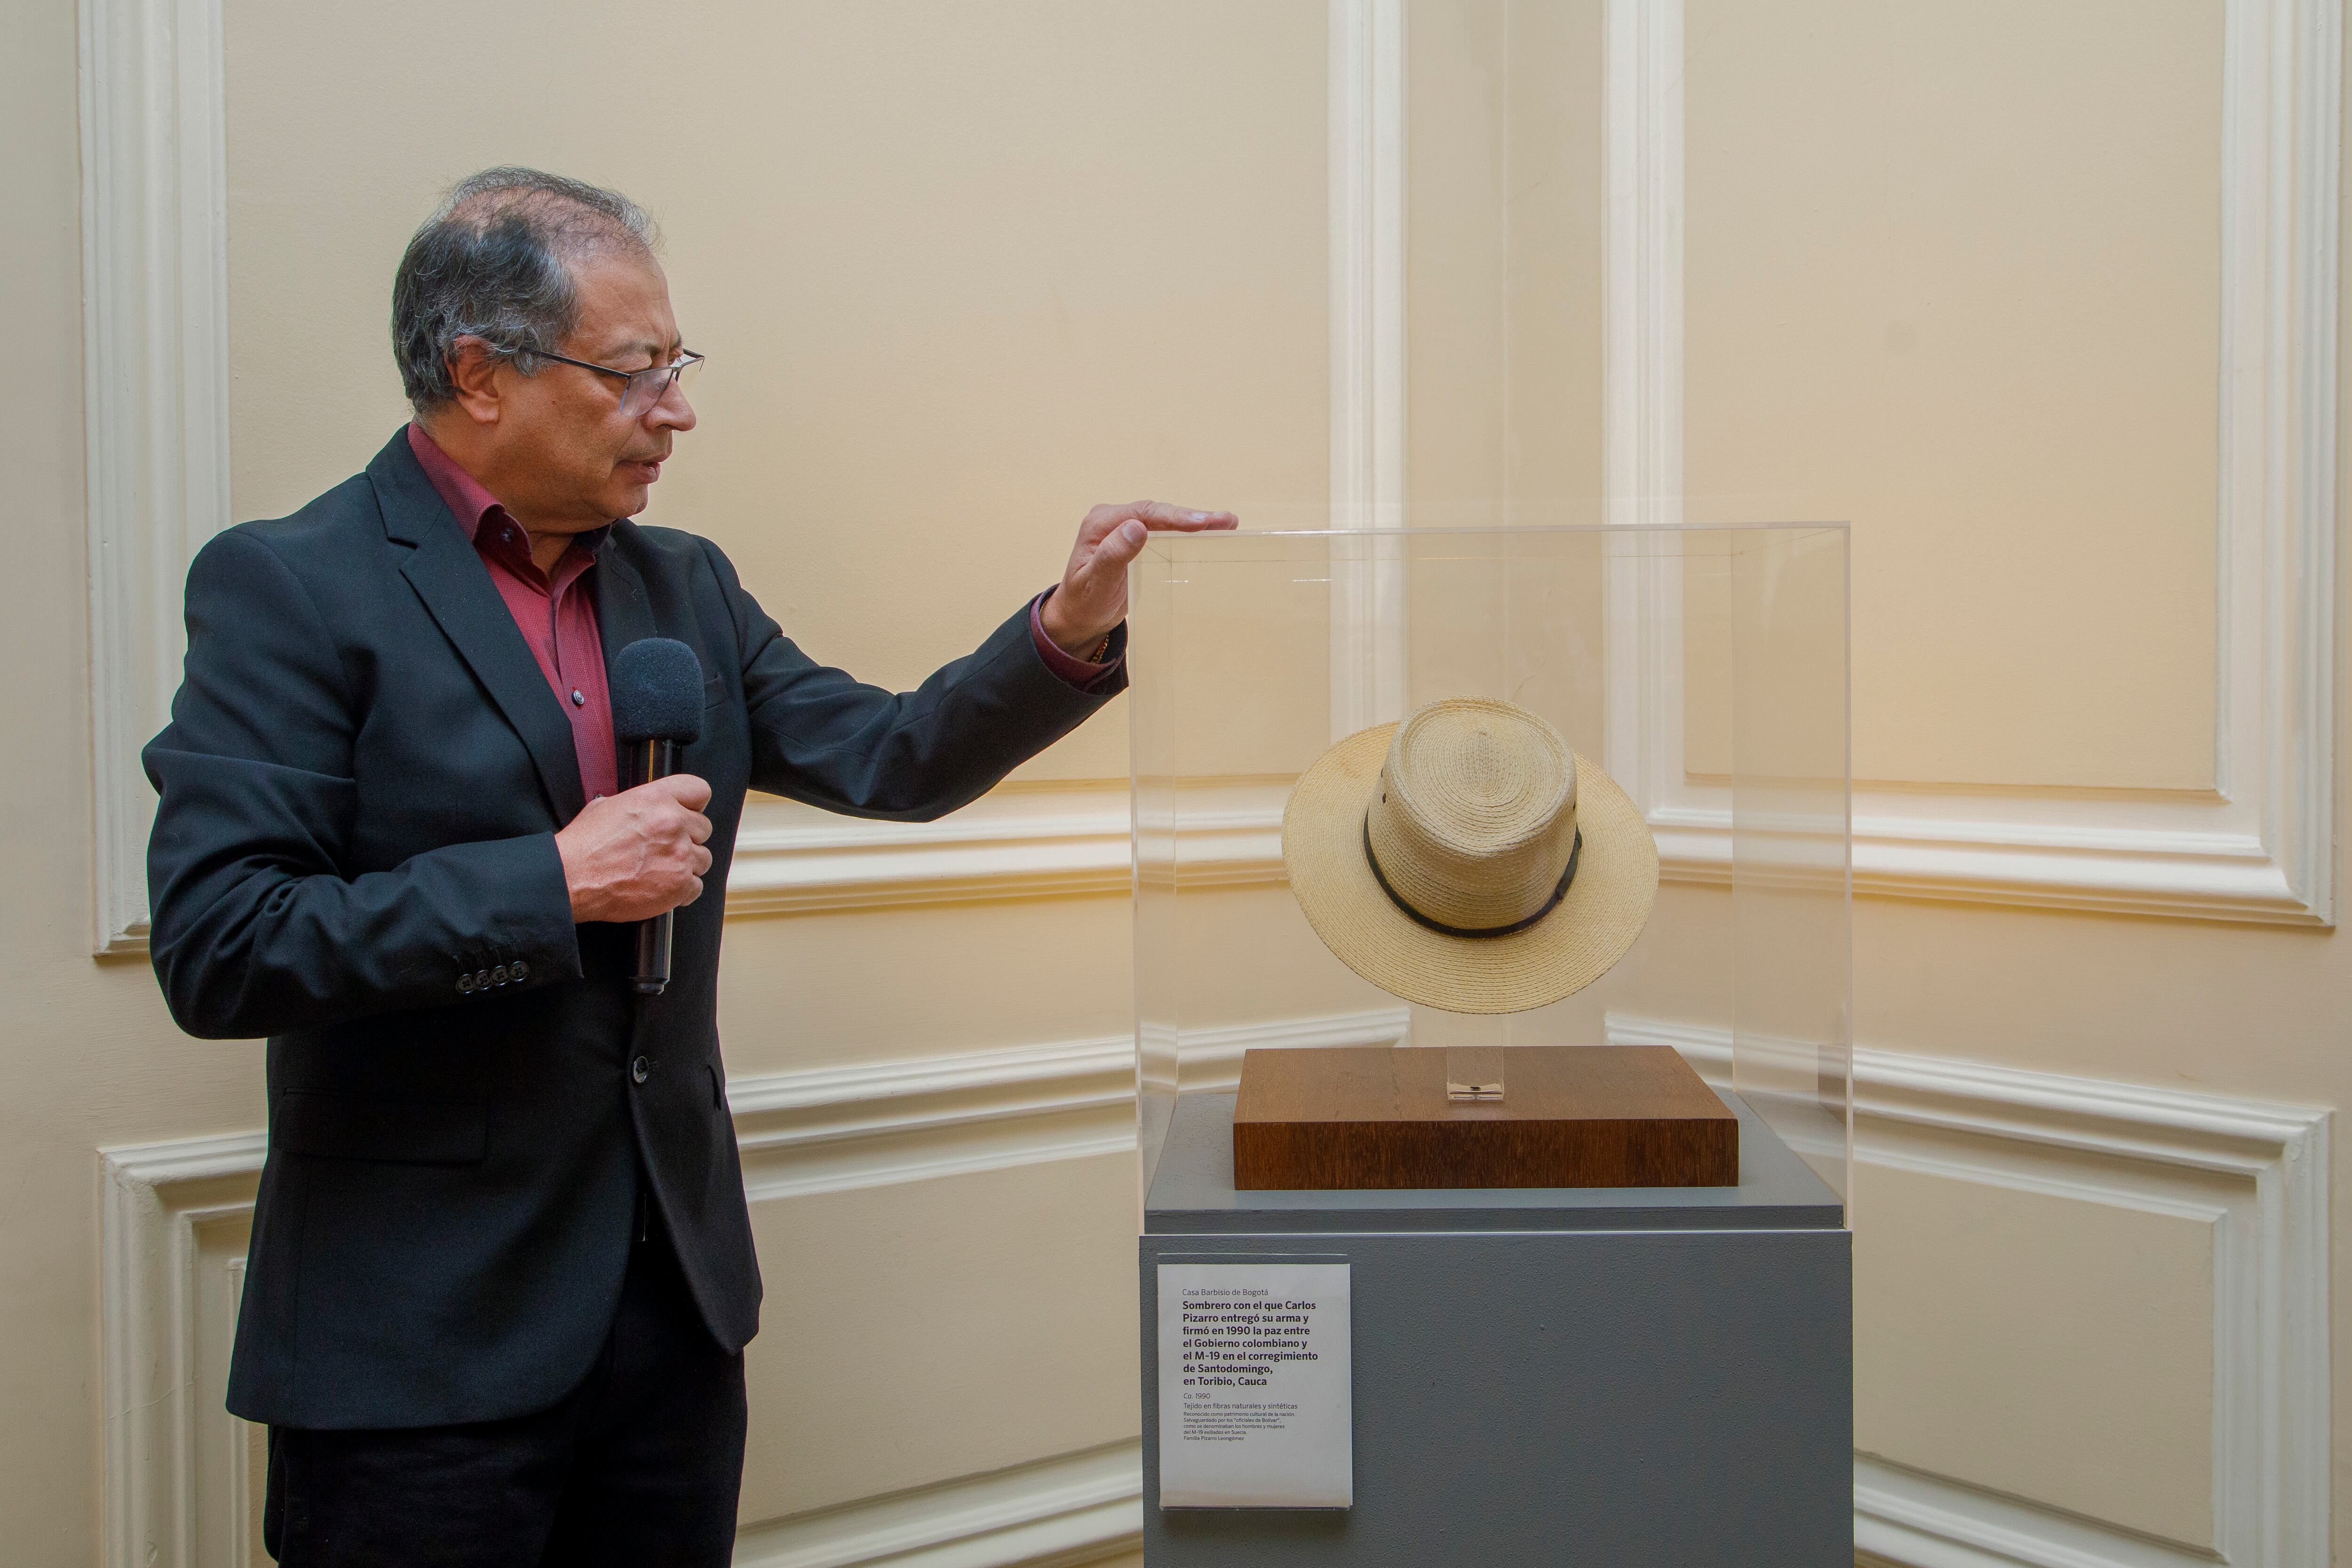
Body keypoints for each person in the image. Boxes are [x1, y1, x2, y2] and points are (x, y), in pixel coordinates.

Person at [142, 166, 1235, 1567]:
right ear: (481, 372)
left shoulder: (686, 586)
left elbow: (892, 757)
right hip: (417, 1352)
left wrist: (1069, 627)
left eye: (677, 364)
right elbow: (223, 941)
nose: (678, 409)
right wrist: (553, 880)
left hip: (671, 1322)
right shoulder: (290, 584)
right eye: (635, 371)